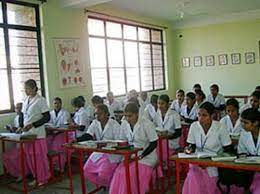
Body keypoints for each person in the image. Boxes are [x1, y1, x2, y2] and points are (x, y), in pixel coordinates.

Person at [3, 79, 50, 185]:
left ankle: (43, 178)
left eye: (28, 89)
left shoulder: (40, 100)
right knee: (30, 157)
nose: (26, 91)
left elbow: (47, 117)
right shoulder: (26, 100)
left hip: (37, 134)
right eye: (25, 89)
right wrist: (21, 127)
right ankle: (36, 177)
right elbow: (25, 116)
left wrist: (32, 125)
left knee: (38, 157)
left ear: (34, 88)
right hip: (27, 134)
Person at [182, 102, 232, 194]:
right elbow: (191, 145)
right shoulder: (194, 126)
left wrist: (211, 162)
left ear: (212, 115)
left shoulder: (220, 127)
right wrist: (188, 149)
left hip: (215, 163)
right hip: (197, 162)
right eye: (199, 115)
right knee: (193, 176)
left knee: (209, 184)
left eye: (204, 115)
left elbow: (228, 149)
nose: (200, 118)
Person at [109, 103, 158, 194]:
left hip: (146, 157)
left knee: (128, 174)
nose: (127, 118)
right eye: (125, 116)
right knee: (118, 172)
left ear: (137, 114)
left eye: (130, 116)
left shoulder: (147, 124)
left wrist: (140, 156)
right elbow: (123, 140)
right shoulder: (124, 123)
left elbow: (154, 143)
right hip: (131, 155)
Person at [77, 104, 122, 187]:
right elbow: (88, 135)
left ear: (106, 114)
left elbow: (120, 142)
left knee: (103, 174)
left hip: (112, 154)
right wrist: (76, 140)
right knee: (86, 171)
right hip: (99, 152)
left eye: (100, 114)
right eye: (96, 114)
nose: (97, 116)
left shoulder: (114, 125)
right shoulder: (95, 123)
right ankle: (108, 185)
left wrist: (106, 144)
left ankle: (113, 186)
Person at [236, 108, 260, 194]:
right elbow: (241, 152)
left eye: (246, 122)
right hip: (251, 168)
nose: (242, 125)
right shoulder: (244, 133)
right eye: (241, 121)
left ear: (256, 123)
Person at [153, 94, 182, 161]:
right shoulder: (157, 114)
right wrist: (157, 132)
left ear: (168, 104)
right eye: (158, 103)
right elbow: (153, 127)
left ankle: (164, 163)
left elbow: (179, 132)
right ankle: (160, 164)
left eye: (162, 103)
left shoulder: (174, 114)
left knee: (161, 144)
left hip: (171, 141)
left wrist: (167, 136)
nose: (160, 106)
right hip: (160, 139)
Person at [46, 97, 71, 170]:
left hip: (62, 134)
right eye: (55, 103)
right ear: (53, 104)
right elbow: (48, 124)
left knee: (57, 145)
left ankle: (60, 166)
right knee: (47, 142)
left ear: (61, 104)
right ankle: (51, 165)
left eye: (58, 103)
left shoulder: (65, 113)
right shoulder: (51, 113)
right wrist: (51, 131)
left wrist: (56, 131)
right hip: (53, 133)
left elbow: (66, 126)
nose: (56, 105)